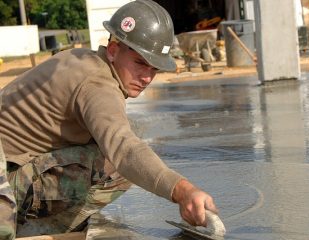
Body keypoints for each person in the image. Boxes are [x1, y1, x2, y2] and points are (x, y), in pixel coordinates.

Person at [0, 0, 218, 238]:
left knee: (121, 143)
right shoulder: (98, 85)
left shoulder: (83, 58)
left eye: (154, 69)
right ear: (113, 50)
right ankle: (36, 229)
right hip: (7, 180)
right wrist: (182, 190)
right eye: (140, 64)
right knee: (119, 165)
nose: (146, 78)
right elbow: (125, 149)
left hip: (12, 165)